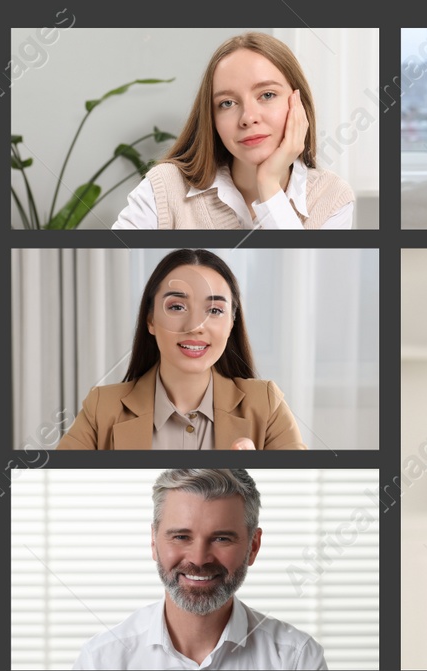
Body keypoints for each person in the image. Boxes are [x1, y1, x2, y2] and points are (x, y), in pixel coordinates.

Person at [73, 469, 327, 670]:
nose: (199, 559)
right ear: (153, 541)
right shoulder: (100, 661)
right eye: (181, 537)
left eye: (222, 539)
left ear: (253, 546)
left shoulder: (296, 660)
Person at [57, 249, 306, 450]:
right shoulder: (102, 407)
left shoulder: (267, 404)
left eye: (215, 310)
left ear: (231, 323)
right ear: (151, 320)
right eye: (177, 307)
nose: (196, 326)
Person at [113, 33, 353, 229]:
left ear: (298, 103)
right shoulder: (164, 186)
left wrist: (269, 185)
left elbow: (297, 263)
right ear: (212, 117)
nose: (248, 118)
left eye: (267, 95)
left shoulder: (331, 197)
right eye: (227, 103)